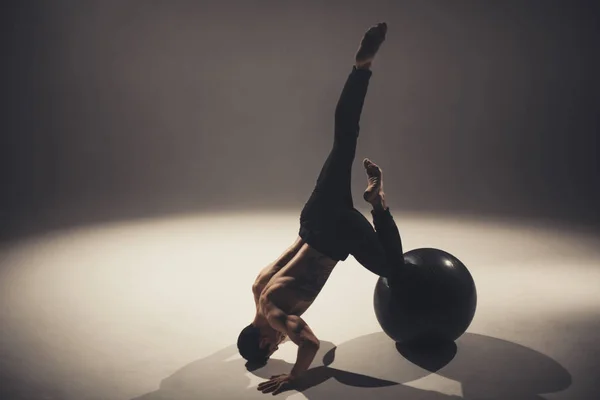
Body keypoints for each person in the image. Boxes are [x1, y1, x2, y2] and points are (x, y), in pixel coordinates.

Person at [237, 22, 405, 395]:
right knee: (344, 136)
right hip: (311, 218)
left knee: (394, 268)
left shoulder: (277, 315)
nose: (279, 344)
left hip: (333, 233)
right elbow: (291, 252)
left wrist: (295, 377)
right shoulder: (257, 289)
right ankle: (361, 68)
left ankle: (378, 203)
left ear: (265, 341)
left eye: (273, 347)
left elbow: (310, 344)